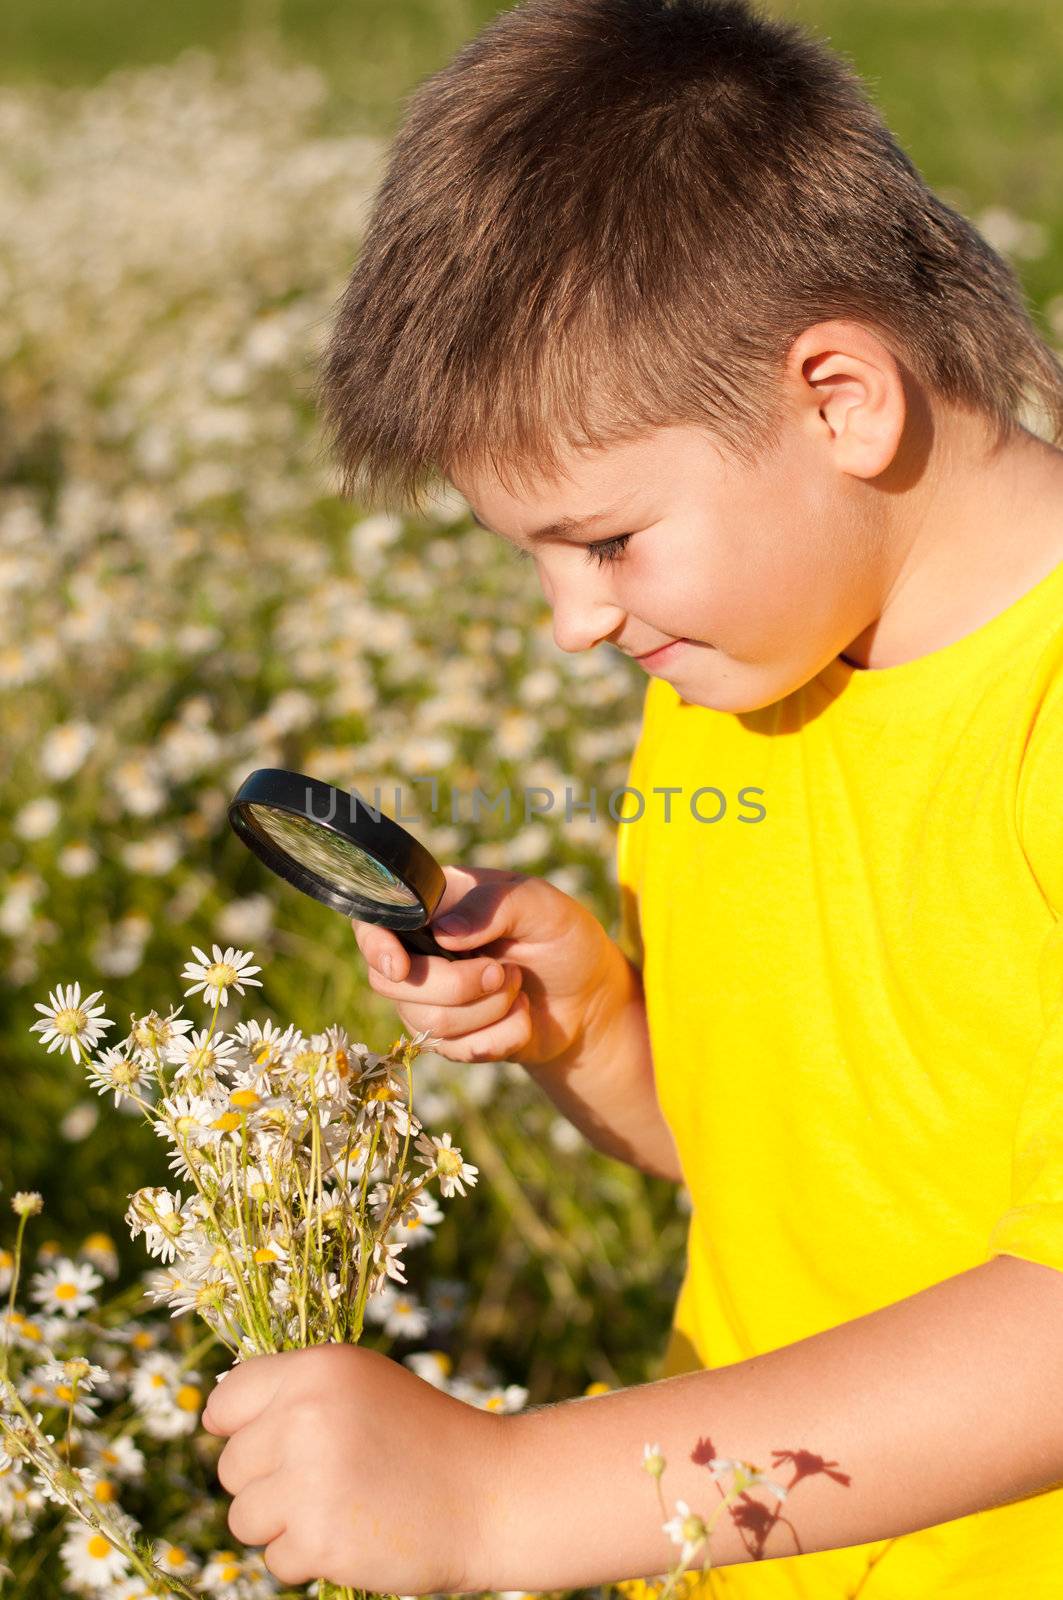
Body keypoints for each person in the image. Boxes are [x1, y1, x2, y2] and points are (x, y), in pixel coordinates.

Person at [322, 0, 1063, 1591]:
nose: (573, 622)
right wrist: (597, 1036)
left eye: (602, 541)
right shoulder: (733, 672)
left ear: (839, 399)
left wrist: (513, 1497)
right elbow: (794, 1170)